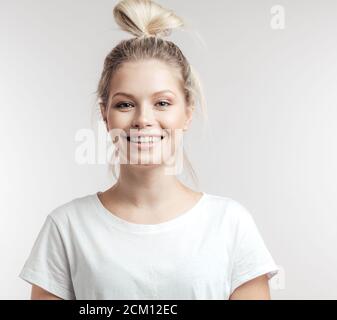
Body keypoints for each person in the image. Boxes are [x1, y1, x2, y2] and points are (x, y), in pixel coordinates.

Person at [19, 0, 279, 300]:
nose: (143, 119)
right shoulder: (66, 228)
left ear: (188, 112)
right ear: (106, 115)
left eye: (162, 103)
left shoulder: (231, 225)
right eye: (125, 104)